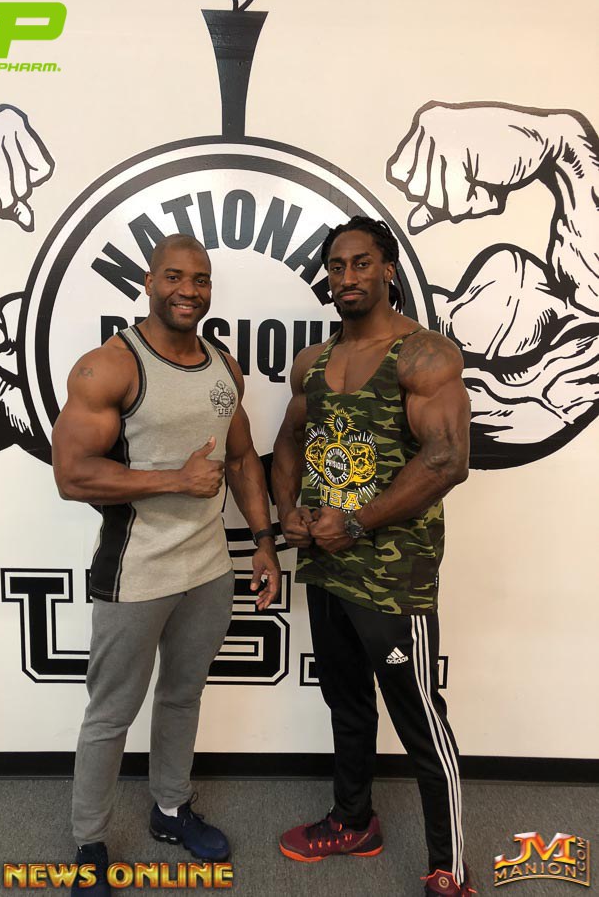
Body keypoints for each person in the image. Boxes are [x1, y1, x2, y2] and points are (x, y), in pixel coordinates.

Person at [52, 233, 280, 896]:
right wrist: (173, 481)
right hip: (136, 572)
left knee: (182, 695)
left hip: (208, 570)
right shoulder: (109, 368)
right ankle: (89, 842)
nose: (189, 290)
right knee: (110, 714)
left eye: (200, 279)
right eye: (174, 277)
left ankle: (171, 808)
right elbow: (71, 474)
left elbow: (242, 458)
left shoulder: (224, 366)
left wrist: (263, 542)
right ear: (149, 283)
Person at [272, 216, 475, 896]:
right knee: (347, 703)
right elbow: (288, 441)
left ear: (387, 269)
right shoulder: (312, 362)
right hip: (326, 565)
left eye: (361, 263)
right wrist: (288, 511)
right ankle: (353, 821)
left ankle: (450, 867)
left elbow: (446, 460)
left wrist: (356, 523)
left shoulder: (423, 356)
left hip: (393, 575)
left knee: (420, 719)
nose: (347, 277)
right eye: (336, 266)